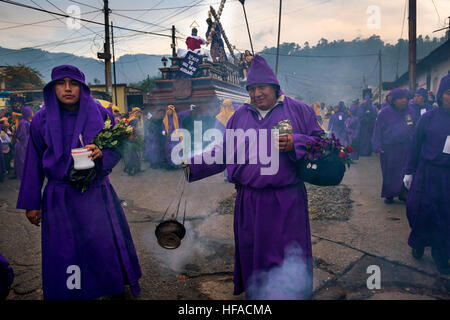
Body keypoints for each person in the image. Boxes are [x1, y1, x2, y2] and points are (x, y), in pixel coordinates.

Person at [183, 55, 323, 299]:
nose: (257, 93)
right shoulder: (240, 116)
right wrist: (193, 164)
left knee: (287, 255)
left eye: (262, 87)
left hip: (286, 201)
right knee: (254, 254)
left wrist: (296, 142)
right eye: (251, 89)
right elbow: (224, 151)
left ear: (274, 87)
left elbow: (324, 144)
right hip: (249, 202)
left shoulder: (298, 111)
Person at [16, 65, 142, 300]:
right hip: (59, 197)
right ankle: (70, 292)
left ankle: (107, 288)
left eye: (73, 83)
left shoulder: (100, 113)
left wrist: (103, 153)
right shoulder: (40, 120)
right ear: (52, 88)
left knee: (101, 246)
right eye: (60, 83)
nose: (67, 89)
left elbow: (119, 146)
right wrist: (31, 203)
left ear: (82, 87)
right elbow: (32, 163)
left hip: (95, 193)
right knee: (65, 250)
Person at [403, 74, 450, 274]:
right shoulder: (428, 118)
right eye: (449, 93)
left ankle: (441, 256)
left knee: (445, 216)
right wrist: (409, 172)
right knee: (422, 210)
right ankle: (419, 242)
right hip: (428, 173)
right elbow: (415, 146)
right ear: (441, 95)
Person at [371, 88, 416, 204]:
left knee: (405, 171)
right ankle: (389, 194)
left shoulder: (411, 112)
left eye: (405, 98)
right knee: (389, 172)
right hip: (389, 148)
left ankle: (403, 193)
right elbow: (377, 131)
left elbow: (416, 129)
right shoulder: (384, 113)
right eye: (400, 98)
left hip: (406, 147)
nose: (403, 101)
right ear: (394, 100)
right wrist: (377, 147)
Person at [162, 105, 193, 169]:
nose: (169, 111)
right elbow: (164, 127)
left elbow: (184, 113)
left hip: (177, 137)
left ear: (173, 111)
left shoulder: (177, 116)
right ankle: (171, 164)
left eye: (170, 110)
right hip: (169, 138)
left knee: (178, 150)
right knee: (169, 150)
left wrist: (190, 109)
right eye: (168, 109)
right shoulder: (165, 119)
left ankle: (179, 164)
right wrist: (163, 131)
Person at [214, 99, 235, 181]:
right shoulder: (235, 115)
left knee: (225, 157)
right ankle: (234, 174)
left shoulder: (219, 117)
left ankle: (227, 175)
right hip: (234, 139)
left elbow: (216, 129)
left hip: (223, 140)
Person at [14, 106, 33, 180]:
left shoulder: (27, 121)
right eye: (31, 111)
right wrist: (26, 145)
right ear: (28, 113)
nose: (32, 112)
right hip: (23, 145)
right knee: (23, 162)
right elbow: (22, 136)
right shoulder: (23, 123)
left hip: (26, 144)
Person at [123, 107, 144, 175]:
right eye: (138, 112)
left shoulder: (131, 118)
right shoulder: (134, 119)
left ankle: (136, 168)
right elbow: (133, 128)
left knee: (135, 153)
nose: (139, 113)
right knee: (134, 154)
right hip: (133, 138)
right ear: (135, 112)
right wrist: (135, 136)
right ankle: (132, 169)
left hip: (132, 138)